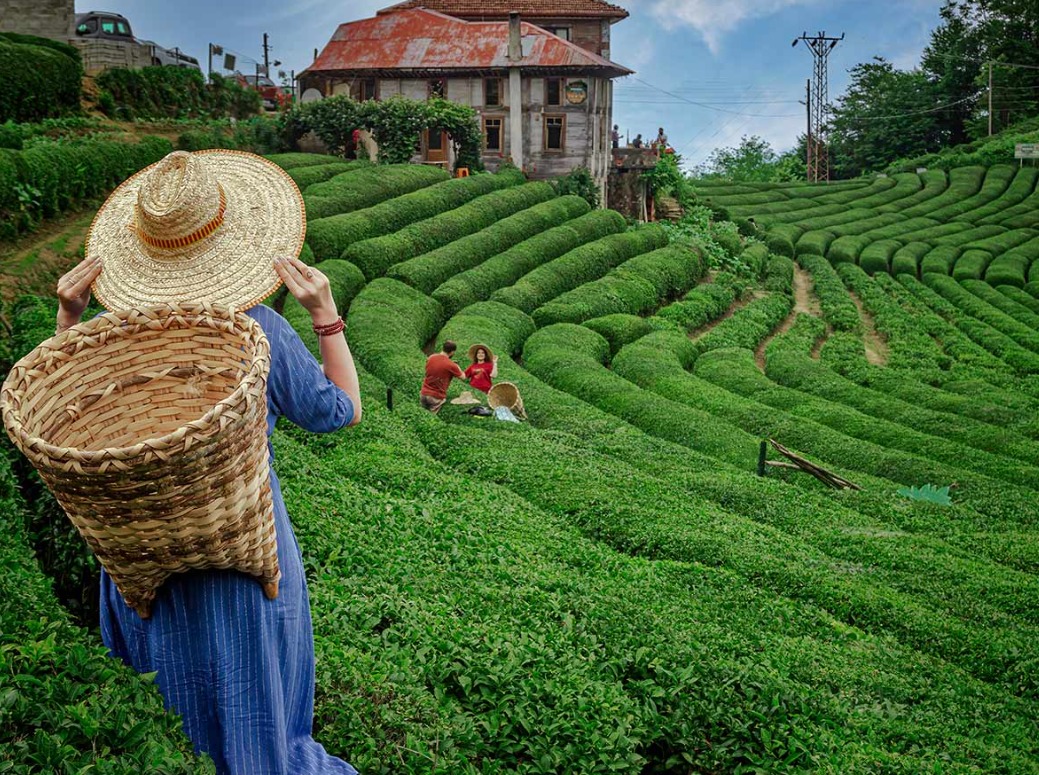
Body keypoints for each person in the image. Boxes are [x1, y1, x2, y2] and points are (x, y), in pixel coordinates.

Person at [53, 150, 362, 775]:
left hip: (143, 557)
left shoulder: (119, 332)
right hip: (240, 546)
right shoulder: (259, 331)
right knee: (255, 711)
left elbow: (71, 415)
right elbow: (341, 411)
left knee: (166, 720)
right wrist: (326, 316)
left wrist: (69, 318)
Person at [420, 340, 467, 412]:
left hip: (423, 393)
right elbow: (463, 377)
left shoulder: (431, 357)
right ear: (452, 352)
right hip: (436, 397)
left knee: (423, 415)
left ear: (443, 348)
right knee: (432, 419)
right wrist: (457, 366)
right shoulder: (451, 365)